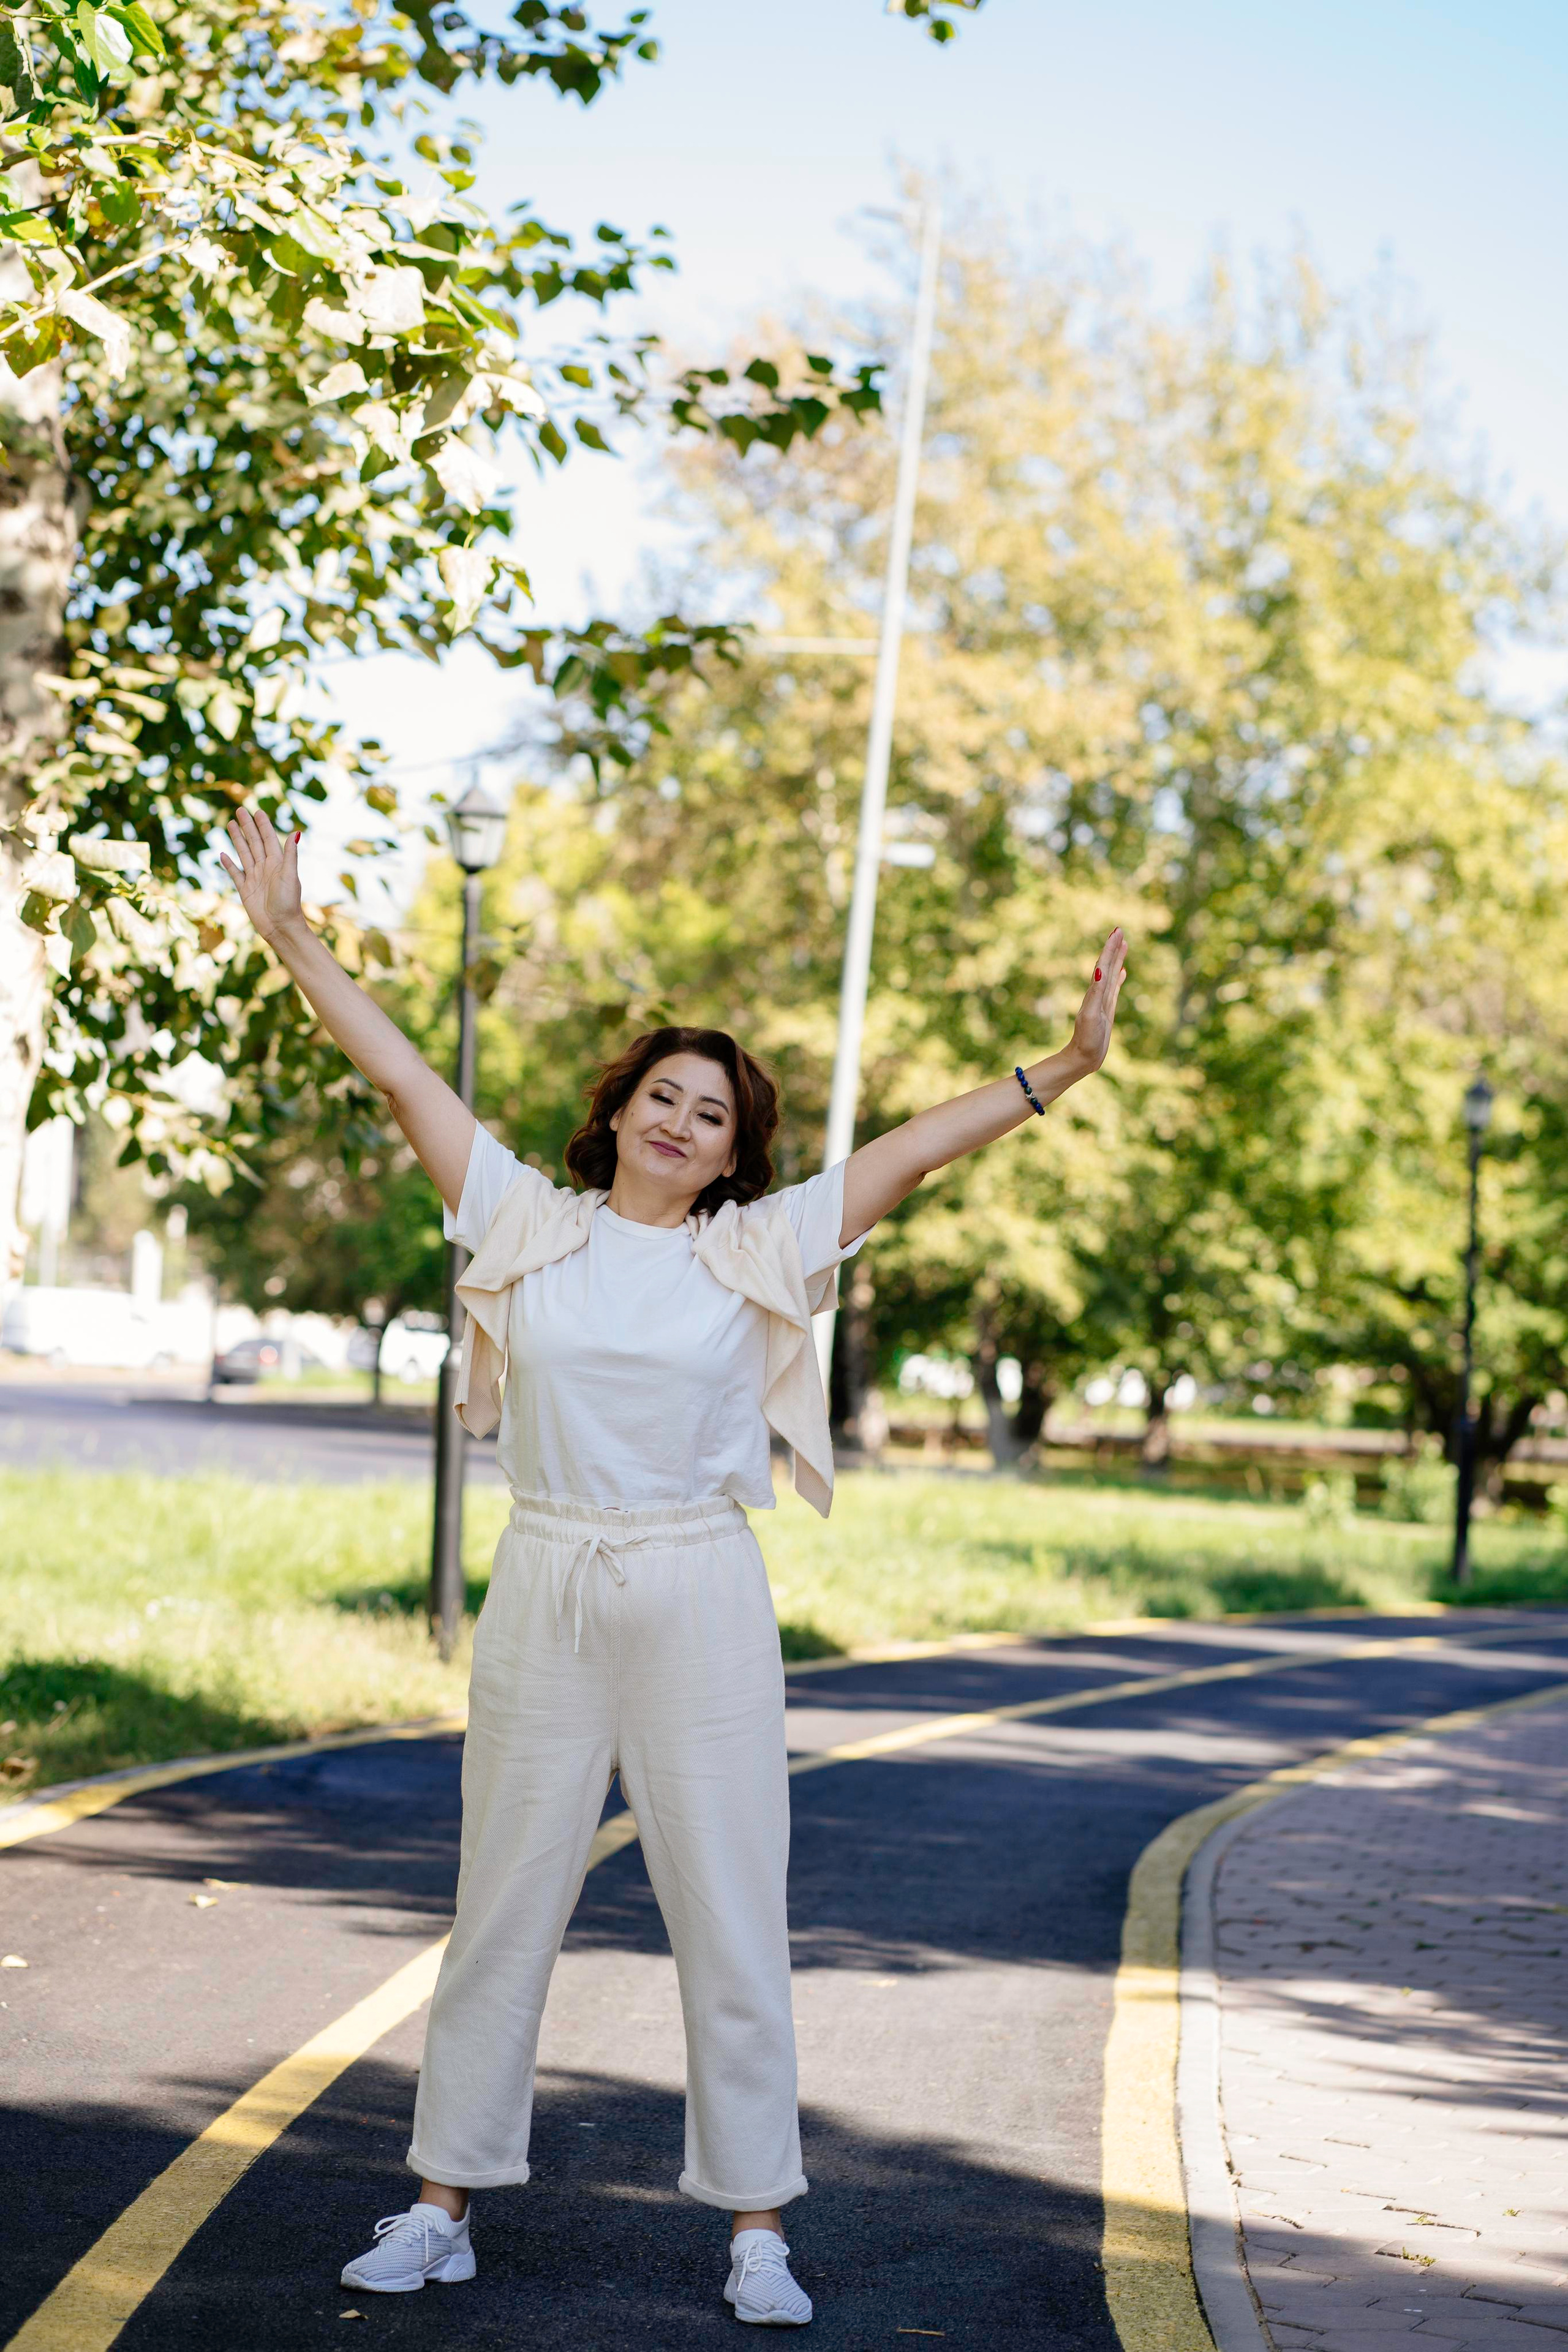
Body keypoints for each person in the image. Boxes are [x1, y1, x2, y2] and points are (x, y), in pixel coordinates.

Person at [221, 805, 1126, 2328]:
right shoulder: (522, 1220)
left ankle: (757, 2230)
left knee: (728, 1906)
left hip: (698, 1587)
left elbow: (908, 1150)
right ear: (619, 1109)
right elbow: (396, 1068)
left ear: (733, 1150)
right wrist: (292, 937)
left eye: (711, 1113)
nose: (680, 1122)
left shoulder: (757, 1252)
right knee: (501, 1901)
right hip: (550, 1583)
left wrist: (1063, 1069)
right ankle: (441, 2204)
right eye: (661, 1095)